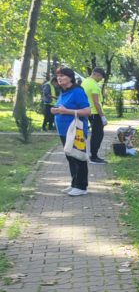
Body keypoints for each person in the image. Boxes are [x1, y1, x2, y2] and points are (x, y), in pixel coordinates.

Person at [52, 67, 91, 196]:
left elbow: (87, 111)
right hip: (64, 131)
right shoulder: (63, 92)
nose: (59, 78)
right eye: (58, 76)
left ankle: (81, 186)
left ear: (70, 77)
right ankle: (74, 183)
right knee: (70, 157)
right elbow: (63, 107)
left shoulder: (77, 91)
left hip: (76, 130)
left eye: (62, 76)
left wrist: (65, 111)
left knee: (78, 156)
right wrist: (56, 110)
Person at [81, 68, 107, 164]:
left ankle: (92, 155)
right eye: (101, 77)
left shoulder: (85, 82)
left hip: (87, 111)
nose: (101, 79)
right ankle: (94, 156)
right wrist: (102, 116)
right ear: (96, 74)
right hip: (95, 112)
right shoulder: (94, 86)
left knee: (95, 134)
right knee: (98, 135)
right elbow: (96, 102)